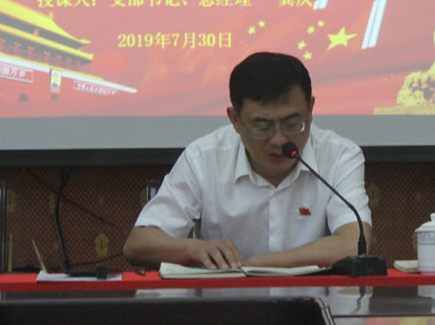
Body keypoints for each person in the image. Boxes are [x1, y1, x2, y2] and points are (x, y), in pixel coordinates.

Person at [123, 52, 372, 270]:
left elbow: (354, 243)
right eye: (261, 127)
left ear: (311, 109)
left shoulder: (339, 155)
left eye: (292, 124)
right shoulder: (204, 157)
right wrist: (195, 249)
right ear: (235, 120)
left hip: (315, 305)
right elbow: (138, 245)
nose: (279, 140)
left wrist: (255, 265)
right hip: (229, 306)